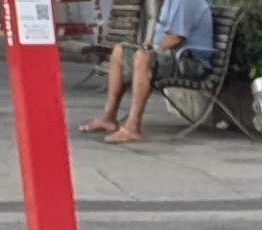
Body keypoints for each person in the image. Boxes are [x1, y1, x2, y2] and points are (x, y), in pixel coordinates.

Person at [90, 0, 214, 138]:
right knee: (120, 51)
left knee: (143, 58)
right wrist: (148, 47)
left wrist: (149, 50)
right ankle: (108, 118)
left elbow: (175, 39)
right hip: (173, 55)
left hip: (191, 63)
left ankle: (132, 127)